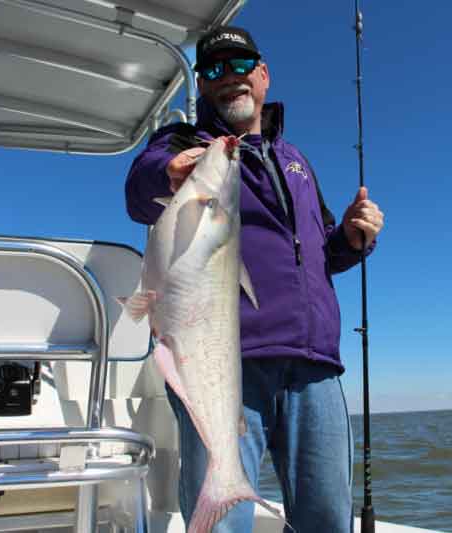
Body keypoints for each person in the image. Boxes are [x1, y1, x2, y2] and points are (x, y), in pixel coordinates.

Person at [125, 25, 384, 533]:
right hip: (226, 364)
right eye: (214, 70)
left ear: (262, 74)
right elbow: (140, 189)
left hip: (315, 368)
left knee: (328, 519)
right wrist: (170, 173)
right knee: (222, 521)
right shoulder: (181, 143)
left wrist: (352, 239)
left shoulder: (297, 161)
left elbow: (318, 253)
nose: (229, 78)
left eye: (240, 65)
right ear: (202, 86)